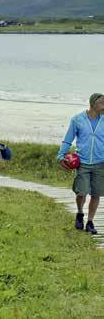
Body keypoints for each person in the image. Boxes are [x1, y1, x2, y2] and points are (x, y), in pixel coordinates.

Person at [57, 93, 104, 235]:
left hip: (100, 163)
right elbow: (68, 140)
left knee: (96, 194)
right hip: (82, 163)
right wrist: (61, 155)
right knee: (81, 193)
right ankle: (79, 213)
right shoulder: (77, 120)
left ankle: (90, 222)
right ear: (93, 104)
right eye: (102, 103)